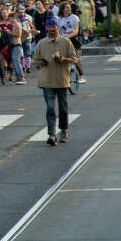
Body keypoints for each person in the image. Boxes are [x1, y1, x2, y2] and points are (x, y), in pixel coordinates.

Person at [34, 18, 78, 146]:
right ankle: (51, 134)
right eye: (49, 27)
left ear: (58, 27)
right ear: (46, 28)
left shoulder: (66, 42)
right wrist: (41, 63)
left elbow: (74, 59)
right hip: (47, 80)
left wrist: (64, 59)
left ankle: (64, 131)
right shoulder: (41, 43)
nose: (52, 29)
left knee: (63, 107)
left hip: (62, 79)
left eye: (54, 27)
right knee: (50, 108)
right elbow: (36, 60)